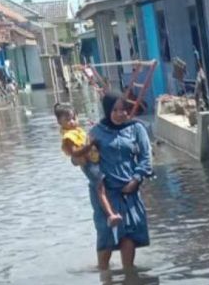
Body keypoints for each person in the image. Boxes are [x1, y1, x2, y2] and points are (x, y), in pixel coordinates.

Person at [90, 91, 153, 270]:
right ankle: (104, 276)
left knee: (129, 233)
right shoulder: (96, 133)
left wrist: (136, 179)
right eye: (115, 110)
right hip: (106, 192)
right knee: (106, 235)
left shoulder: (136, 129)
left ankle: (129, 275)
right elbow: (89, 162)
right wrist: (99, 180)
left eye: (124, 109)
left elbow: (146, 156)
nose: (121, 113)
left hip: (129, 190)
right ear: (107, 110)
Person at [54, 103, 122, 236]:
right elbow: (76, 153)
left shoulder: (77, 131)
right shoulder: (68, 137)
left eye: (74, 118)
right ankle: (111, 215)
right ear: (59, 122)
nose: (72, 122)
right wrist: (90, 145)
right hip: (89, 164)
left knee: (104, 185)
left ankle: (112, 211)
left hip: (94, 160)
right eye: (68, 120)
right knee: (100, 187)